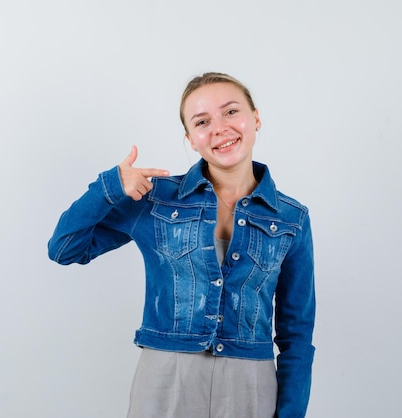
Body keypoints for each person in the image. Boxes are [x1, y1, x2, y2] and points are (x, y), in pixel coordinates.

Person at [48, 72, 315, 418]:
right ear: (191, 139)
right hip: (166, 379)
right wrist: (109, 187)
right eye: (202, 121)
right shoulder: (156, 199)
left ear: (256, 118)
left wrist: (292, 412)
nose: (219, 128)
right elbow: (65, 248)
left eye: (231, 112)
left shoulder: (293, 218)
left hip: (251, 384)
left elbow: (296, 331)